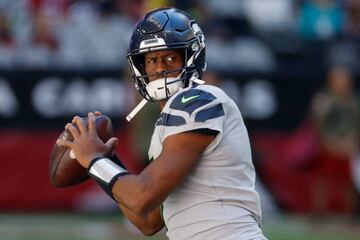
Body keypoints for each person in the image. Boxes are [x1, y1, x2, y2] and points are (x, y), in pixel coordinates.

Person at [57, 7, 267, 240]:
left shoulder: (199, 100)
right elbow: (148, 220)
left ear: (191, 57)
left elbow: (142, 196)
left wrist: (94, 160)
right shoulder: (171, 120)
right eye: (151, 60)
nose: (159, 68)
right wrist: (105, 161)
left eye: (170, 58)